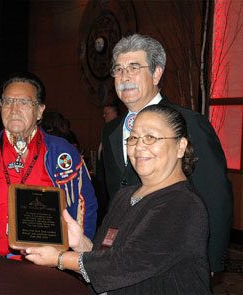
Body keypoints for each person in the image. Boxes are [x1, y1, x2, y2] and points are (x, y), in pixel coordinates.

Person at [26, 105, 211, 294]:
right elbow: (105, 255)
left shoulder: (183, 204)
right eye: (133, 138)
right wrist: (79, 242)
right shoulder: (126, 195)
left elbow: (127, 263)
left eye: (151, 137)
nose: (139, 147)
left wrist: (60, 259)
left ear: (181, 146)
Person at [100, 34, 233, 273]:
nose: (124, 77)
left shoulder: (188, 123)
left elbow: (215, 195)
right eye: (118, 69)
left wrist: (209, 263)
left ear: (157, 73)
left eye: (133, 67)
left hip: (174, 255)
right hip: (122, 257)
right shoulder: (111, 130)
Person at [0, 72, 98, 257]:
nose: (14, 109)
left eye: (24, 102)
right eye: (7, 102)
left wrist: (77, 257)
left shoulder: (63, 155)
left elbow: (86, 207)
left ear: (40, 110)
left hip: (50, 265)